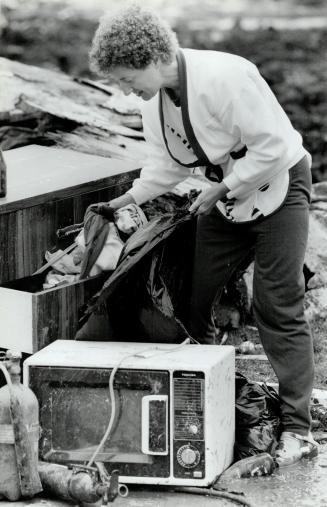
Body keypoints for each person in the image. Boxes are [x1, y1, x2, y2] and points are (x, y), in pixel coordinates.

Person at [89, 5, 318, 466]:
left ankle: (298, 429)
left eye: (125, 76)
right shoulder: (155, 105)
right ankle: (204, 398)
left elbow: (274, 145)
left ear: (150, 57)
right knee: (192, 297)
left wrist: (222, 188)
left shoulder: (225, 76)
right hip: (226, 195)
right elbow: (166, 166)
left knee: (277, 303)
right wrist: (123, 201)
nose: (124, 88)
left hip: (281, 184)